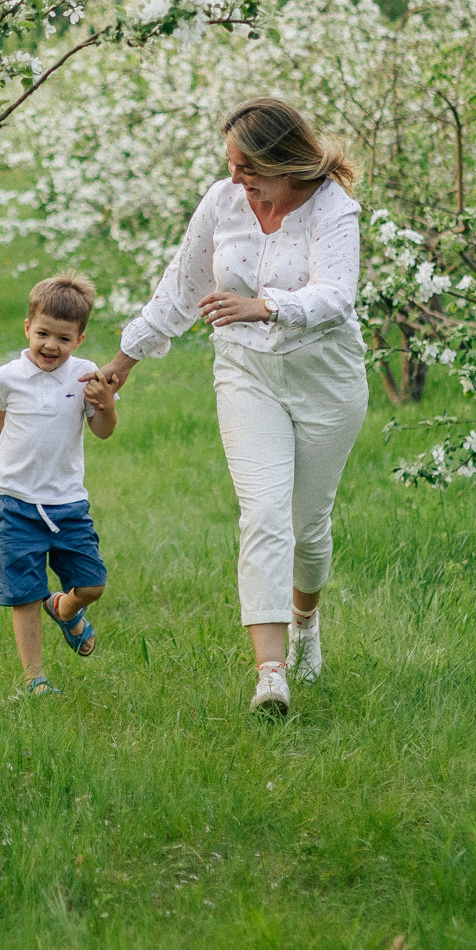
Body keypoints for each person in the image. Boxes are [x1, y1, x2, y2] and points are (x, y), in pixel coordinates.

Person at [89, 98, 365, 717]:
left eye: (248, 167)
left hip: (326, 377)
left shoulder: (333, 209)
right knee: (264, 513)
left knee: (309, 530)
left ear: (284, 161)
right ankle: (271, 676)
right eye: (232, 166)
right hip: (245, 373)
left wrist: (264, 305)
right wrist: (122, 362)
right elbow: (181, 289)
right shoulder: (222, 203)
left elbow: (336, 296)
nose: (237, 179)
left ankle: (306, 625)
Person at [0, 272, 120, 698]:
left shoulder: (85, 378)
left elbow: (102, 431)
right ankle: (35, 678)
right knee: (24, 592)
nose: (50, 346)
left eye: (63, 338)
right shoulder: (8, 376)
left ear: (79, 339)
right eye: (42, 333)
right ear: (27, 327)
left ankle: (65, 607)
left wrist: (107, 403)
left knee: (92, 583)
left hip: (67, 504)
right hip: (16, 501)